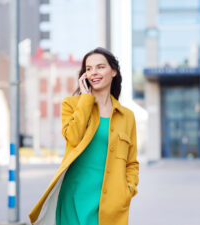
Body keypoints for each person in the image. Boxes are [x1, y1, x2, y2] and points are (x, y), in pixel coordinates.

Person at [29, 47, 139, 225]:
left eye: (100, 67)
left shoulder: (127, 116)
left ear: (114, 71)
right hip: (74, 195)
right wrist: (86, 100)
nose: (94, 72)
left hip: (112, 200)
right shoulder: (71, 104)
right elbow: (72, 137)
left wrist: (128, 189)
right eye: (88, 69)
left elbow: (132, 162)